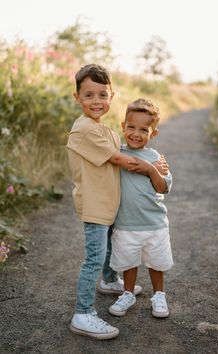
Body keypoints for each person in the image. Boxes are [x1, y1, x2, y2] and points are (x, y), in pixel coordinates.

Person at [66, 65, 165, 339]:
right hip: (96, 205)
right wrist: (152, 167)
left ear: (112, 96)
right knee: (95, 257)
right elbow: (121, 159)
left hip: (109, 204)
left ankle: (110, 281)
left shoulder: (104, 129)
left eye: (102, 94)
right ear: (77, 98)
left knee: (109, 247)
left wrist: (156, 161)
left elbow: (126, 149)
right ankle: (83, 313)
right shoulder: (85, 129)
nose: (96, 101)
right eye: (88, 95)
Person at [109, 98, 174, 319]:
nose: (136, 133)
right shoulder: (118, 153)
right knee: (128, 261)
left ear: (153, 133)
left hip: (154, 223)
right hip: (126, 222)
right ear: (123, 126)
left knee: (156, 262)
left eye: (143, 129)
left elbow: (163, 187)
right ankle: (128, 293)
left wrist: (151, 169)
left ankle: (159, 295)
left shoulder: (155, 158)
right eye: (131, 127)